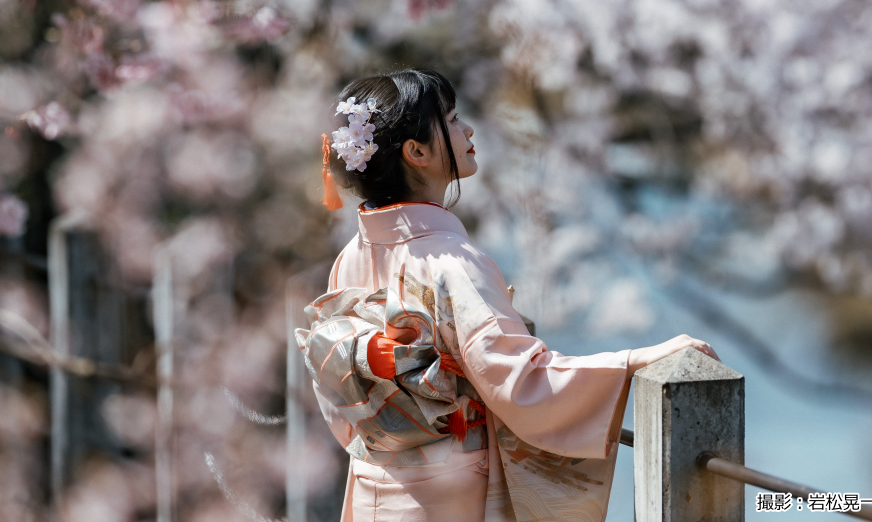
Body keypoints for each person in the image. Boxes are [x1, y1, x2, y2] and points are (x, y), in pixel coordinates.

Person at [296, 68, 721, 522]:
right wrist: (636, 361)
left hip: (374, 483)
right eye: (453, 120)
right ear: (417, 152)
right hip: (451, 496)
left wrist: (397, 432)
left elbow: (337, 385)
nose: (468, 130)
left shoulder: (350, 258)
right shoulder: (452, 263)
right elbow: (520, 381)